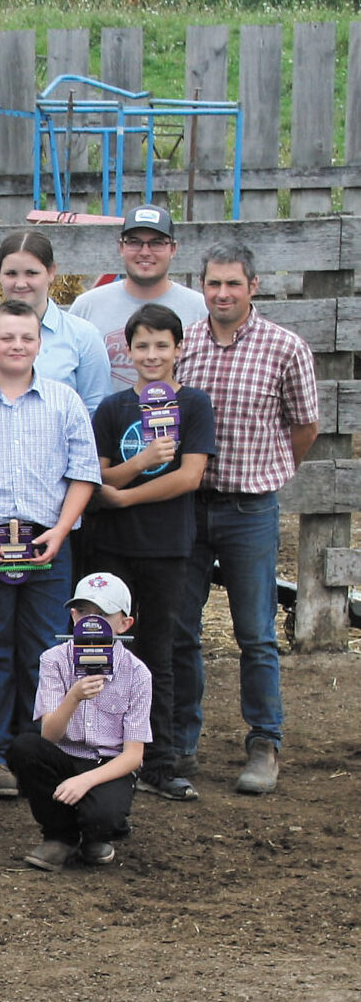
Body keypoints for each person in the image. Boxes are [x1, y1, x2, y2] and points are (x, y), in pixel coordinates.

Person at [175, 242, 319, 795]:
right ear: (203, 286)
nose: (223, 293)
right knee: (181, 629)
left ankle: (264, 741)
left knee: (255, 632)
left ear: (253, 286)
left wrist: (272, 472)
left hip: (249, 507)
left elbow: (303, 426)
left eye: (233, 283)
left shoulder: (285, 347)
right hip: (189, 504)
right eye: (214, 284)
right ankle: (181, 741)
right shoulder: (186, 346)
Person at [0, 300, 100, 799]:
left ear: (40, 344)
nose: (16, 346)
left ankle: (35, 749)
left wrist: (61, 529)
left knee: (47, 650)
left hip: (47, 544)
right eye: (6, 338)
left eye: (26, 338)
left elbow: (83, 473)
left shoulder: (64, 401)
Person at [90, 304, 215, 801]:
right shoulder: (114, 407)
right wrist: (139, 462)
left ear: (179, 349)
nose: (152, 354)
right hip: (112, 548)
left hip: (167, 546)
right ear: (128, 351)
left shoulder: (194, 405)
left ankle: (160, 760)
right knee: (102, 650)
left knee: (159, 653)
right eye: (142, 345)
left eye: (162, 345)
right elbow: (99, 475)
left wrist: (126, 494)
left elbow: (189, 476)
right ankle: (100, 750)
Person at [8, 572, 151, 871]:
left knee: (104, 815)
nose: (91, 621)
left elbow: (134, 755)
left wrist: (84, 780)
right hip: (64, 755)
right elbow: (48, 734)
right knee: (25, 747)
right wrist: (73, 697)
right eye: (84, 612)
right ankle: (60, 836)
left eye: (103, 615)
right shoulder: (54, 659)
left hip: (107, 765)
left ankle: (98, 833)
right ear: (73, 616)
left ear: (125, 624)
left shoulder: (137, 673)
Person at [0, 231, 113, 413]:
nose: (20, 283)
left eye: (31, 273)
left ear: (51, 272)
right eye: (11, 273)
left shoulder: (83, 337)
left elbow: (95, 411)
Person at [67, 204, 207, 392]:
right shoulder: (87, 307)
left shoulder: (199, 309)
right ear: (121, 247)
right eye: (134, 242)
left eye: (156, 243)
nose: (145, 252)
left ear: (173, 249)